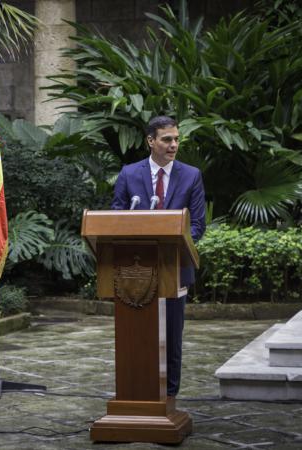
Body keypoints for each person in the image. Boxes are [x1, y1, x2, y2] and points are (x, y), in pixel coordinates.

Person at [111, 115, 206, 397]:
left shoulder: (191, 175)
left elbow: (197, 225)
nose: (173, 145)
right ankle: (136, 391)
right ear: (151, 141)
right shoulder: (129, 173)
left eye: (176, 139)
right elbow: (116, 216)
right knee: (136, 335)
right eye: (167, 139)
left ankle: (170, 395)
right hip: (134, 272)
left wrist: (172, 248)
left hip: (174, 268)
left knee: (172, 335)